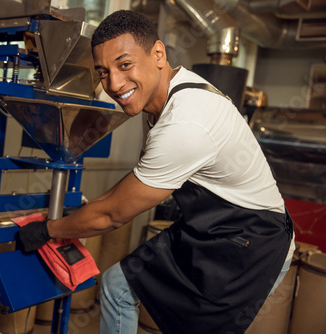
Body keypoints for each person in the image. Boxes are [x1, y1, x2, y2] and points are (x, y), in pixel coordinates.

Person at [19, 10, 295, 334]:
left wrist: (50, 230)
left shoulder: (185, 123)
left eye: (124, 65)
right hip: (209, 227)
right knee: (117, 285)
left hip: (251, 242)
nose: (115, 84)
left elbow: (112, 215)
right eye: (103, 72)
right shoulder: (166, 95)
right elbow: (126, 190)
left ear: (158, 54)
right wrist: (80, 214)